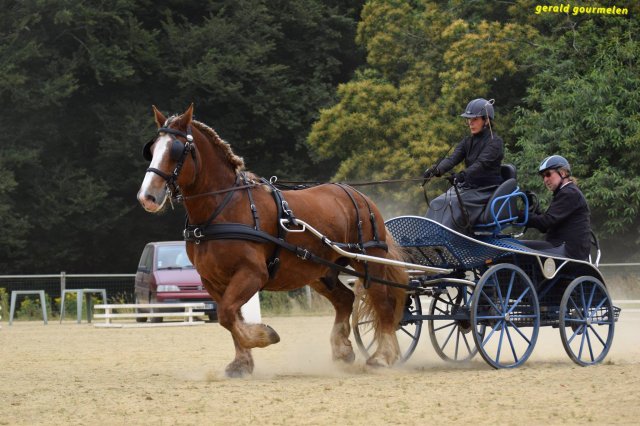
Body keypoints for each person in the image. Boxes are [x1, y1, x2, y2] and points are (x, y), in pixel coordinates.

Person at [423, 98, 504, 233]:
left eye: (475, 119)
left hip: (486, 190)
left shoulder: (495, 143)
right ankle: (426, 237)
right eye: (469, 119)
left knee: (453, 204)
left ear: (487, 120)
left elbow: (481, 164)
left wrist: (462, 176)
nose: (470, 123)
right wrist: (436, 170)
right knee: (436, 203)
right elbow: (452, 159)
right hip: (468, 187)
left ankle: (445, 239)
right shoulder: (467, 141)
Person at [520, 155, 591, 260]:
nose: (545, 180)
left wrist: (519, 215)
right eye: (543, 176)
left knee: (516, 249)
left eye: (548, 174)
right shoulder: (565, 192)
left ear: (562, 173)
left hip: (568, 250)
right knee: (517, 246)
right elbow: (547, 225)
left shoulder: (569, 193)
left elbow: (546, 222)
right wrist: (531, 208)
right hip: (562, 246)